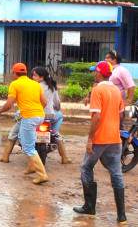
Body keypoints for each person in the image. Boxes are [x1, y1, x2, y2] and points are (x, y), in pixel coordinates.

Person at [73, 61, 127, 224]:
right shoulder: (116, 90)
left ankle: (90, 206)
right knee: (116, 173)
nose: (93, 74)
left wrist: (90, 139)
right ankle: (122, 216)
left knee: (86, 167)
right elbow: (122, 115)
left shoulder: (98, 90)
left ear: (99, 73)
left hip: (100, 139)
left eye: (95, 71)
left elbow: (96, 117)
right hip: (114, 139)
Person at [0, 63, 48, 184]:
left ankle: (42, 174)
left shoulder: (15, 84)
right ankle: (31, 166)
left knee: (28, 147)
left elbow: (9, 105)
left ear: (14, 73)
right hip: (40, 116)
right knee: (30, 143)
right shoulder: (35, 84)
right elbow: (44, 102)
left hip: (29, 117)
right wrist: (36, 112)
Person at [31, 67, 71, 164]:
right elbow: (57, 104)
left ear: (41, 77)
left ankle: (6, 154)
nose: (32, 77)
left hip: (36, 115)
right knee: (59, 119)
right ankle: (64, 157)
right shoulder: (52, 86)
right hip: (50, 116)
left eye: (34, 75)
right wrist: (55, 108)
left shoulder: (34, 86)